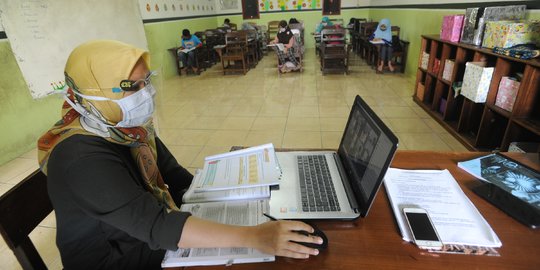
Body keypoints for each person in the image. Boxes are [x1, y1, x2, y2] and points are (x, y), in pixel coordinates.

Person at [37, 40, 322, 269]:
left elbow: (175, 176)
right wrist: (253, 236)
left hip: (145, 231)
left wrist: (235, 196)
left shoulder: (129, 129)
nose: (145, 93)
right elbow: (157, 226)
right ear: (91, 93)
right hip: (117, 257)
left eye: (146, 81)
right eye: (131, 87)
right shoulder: (80, 158)